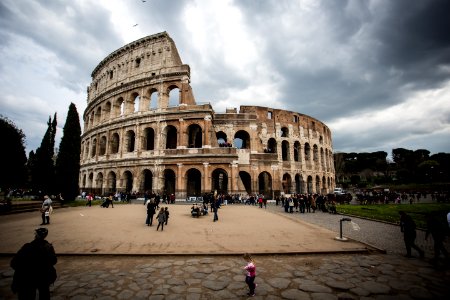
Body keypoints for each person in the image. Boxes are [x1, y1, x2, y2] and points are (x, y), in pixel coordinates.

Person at [10, 227, 57, 300]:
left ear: (36, 235)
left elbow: (13, 263)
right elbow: (54, 261)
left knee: (29, 295)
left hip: (29, 277)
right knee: (44, 294)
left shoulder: (27, 247)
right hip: (43, 276)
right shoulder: (48, 247)